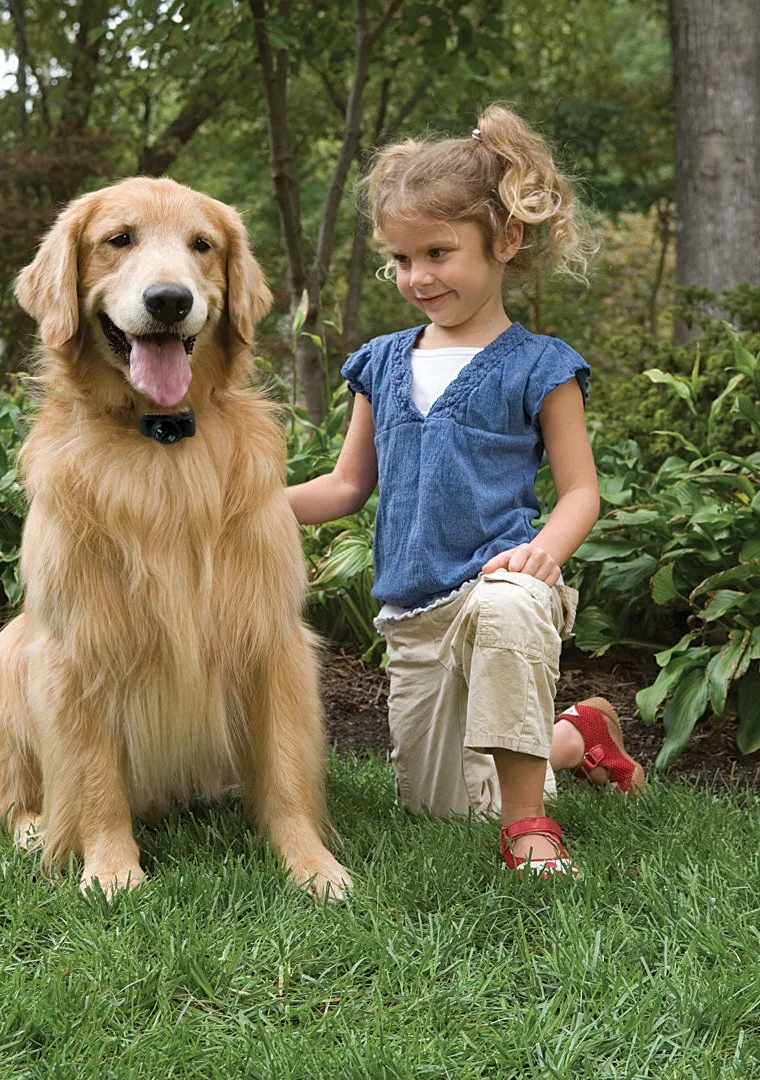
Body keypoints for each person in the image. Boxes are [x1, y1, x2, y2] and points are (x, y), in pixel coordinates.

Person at [287, 105, 645, 876]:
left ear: (505, 242)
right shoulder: (382, 362)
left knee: (508, 603)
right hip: (413, 616)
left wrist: (541, 555)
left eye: (438, 253)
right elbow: (347, 485)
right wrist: (246, 504)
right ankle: (578, 734)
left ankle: (529, 830)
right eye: (401, 258)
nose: (417, 277)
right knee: (439, 807)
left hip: (499, 589)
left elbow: (582, 491)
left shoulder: (540, 365)